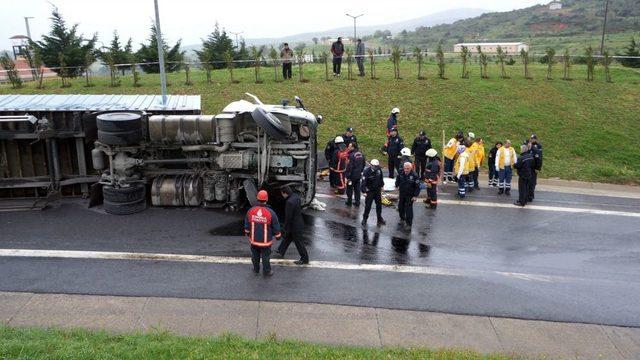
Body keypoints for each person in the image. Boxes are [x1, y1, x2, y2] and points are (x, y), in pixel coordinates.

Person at [244, 190, 281, 276]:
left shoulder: (251, 211)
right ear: (266, 199)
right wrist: (278, 236)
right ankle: (267, 271)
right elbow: (276, 225)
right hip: (265, 242)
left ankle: (256, 269)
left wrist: (247, 232)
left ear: (257, 199)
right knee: (265, 257)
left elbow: (247, 224)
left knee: (255, 256)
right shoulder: (271, 212)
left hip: (254, 240)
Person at [276, 186, 309, 264]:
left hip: (295, 226)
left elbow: (288, 217)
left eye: (282, 194)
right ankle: (281, 250)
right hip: (299, 222)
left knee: (299, 243)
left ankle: (304, 259)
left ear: (285, 193)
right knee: (288, 237)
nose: (282, 196)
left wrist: (284, 228)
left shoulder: (289, 202)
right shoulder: (296, 197)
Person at [361, 159, 386, 226]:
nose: (376, 167)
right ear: (371, 165)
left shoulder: (378, 170)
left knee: (379, 205)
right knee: (368, 206)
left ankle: (379, 218)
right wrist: (364, 191)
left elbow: (381, 178)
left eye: (377, 166)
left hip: (377, 190)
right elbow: (363, 182)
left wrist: (382, 185)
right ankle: (365, 219)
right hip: (370, 191)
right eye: (375, 166)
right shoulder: (366, 171)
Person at [395, 162, 421, 227]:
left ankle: (409, 224)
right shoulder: (401, 172)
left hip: (410, 195)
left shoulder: (414, 175)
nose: (406, 170)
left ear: (411, 168)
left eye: (408, 169)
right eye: (405, 168)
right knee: (400, 207)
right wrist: (396, 185)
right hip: (402, 193)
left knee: (408, 210)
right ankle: (402, 218)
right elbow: (397, 179)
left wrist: (415, 196)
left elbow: (417, 187)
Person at [528, 134, 543, 202]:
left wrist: (538, 168)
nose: (532, 140)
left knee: (532, 182)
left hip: (534, 167)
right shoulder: (528, 145)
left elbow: (539, 158)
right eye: (531, 138)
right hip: (528, 167)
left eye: (533, 139)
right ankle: (528, 194)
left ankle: (531, 195)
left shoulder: (538, 146)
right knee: (528, 182)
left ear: (536, 139)